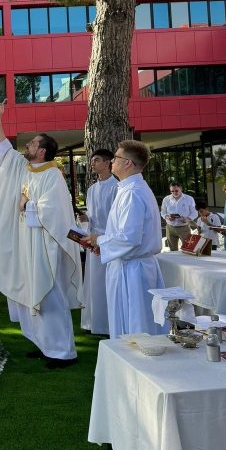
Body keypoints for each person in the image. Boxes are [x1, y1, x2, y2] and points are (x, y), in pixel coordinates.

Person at [0, 100, 83, 368]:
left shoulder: (52, 176)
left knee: (49, 296)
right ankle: (45, 345)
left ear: (41, 151)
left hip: (45, 246)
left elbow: (54, 211)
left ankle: (64, 352)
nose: (27, 146)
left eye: (32, 144)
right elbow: (3, 151)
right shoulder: (24, 168)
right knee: (32, 294)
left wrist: (26, 204)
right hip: (27, 245)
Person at [82, 140, 166, 338]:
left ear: (127, 163)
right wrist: (103, 245)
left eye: (116, 158)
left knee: (135, 325)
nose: (112, 161)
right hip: (129, 264)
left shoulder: (133, 193)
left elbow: (129, 238)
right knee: (128, 323)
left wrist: (100, 240)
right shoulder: (130, 188)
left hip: (133, 269)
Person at [79, 149, 118, 336]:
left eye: (96, 160)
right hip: (93, 238)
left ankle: (109, 325)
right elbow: (92, 215)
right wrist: (85, 220)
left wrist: (103, 240)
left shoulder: (117, 187)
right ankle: (93, 322)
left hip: (108, 240)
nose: (92, 163)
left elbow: (116, 219)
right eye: (92, 160)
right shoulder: (92, 189)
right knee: (93, 283)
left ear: (108, 162)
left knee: (107, 283)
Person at [160, 182, 198, 251]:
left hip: (184, 227)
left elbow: (194, 213)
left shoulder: (189, 199)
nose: (174, 192)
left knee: (188, 249)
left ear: (181, 189)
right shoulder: (166, 199)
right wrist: (167, 217)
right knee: (172, 250)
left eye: (176, 190)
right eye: (172, 191)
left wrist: (188, 219)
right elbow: (163, 212)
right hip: (170, 228)